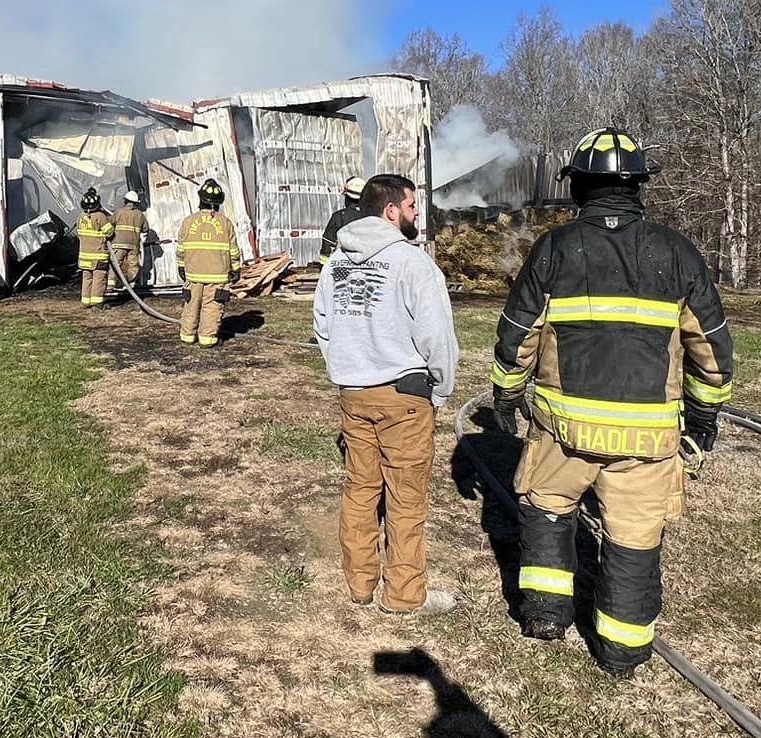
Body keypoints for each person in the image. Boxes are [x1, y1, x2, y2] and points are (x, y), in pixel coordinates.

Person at [489, 128, 734, 676]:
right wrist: (703, 416)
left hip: (562, 432)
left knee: (548, 512)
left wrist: (506, 394)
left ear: (577, 185)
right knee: (633, 538)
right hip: (646, 440)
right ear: (638, 185)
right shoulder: (677, 252)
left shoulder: (553, 249)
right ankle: (622, 649)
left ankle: (546, 614)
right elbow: (711, 347)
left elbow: (517, 335)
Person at [314, 173, 461, 616]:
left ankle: (360, 585)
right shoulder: (412, 263)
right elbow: (438, 337)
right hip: (405, 399)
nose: (418, 214)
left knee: (360, 490)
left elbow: (323, 326)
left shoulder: (335, 265)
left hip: (353, 395)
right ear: (391, 211)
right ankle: (404, 595)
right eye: (413, 206)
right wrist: (441, 389)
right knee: (405, 497)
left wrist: (348, 366)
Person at [176, 178, 241, 346]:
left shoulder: (188, 221)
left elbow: (181, 248)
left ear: (200, 200)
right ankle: (207, 338)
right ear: (218, 203)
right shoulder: (225, 223)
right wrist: (236, 269)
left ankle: (187, 336)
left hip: (193, 274)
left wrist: (181, 266)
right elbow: (233, 250)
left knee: (191, 304)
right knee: (212, 307)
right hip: (217, 276)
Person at [76, 188, 116, 307]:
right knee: (99, 277)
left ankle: (86, 301)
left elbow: (79, 234)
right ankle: (97, 303)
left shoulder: (80, 217)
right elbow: (110, 233)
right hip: (98, 255)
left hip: (84, 255)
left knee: (87, 278)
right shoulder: (100, 216)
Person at [319, 175, 369, 263]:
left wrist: (325, 267)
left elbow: (327, 244)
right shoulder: (373, 216)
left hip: (343, 267)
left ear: (347, 198)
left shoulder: (339, 216)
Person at [112, 190, 149, 297]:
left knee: (116, 264)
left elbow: (109, 225)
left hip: (118, 244)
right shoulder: (139, 215)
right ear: (136, 203)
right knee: (133, 265)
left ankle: (112, 284)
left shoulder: (118, 212)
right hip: (133, 245)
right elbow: (145, 229)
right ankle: (129, 283)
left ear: (125, 201)